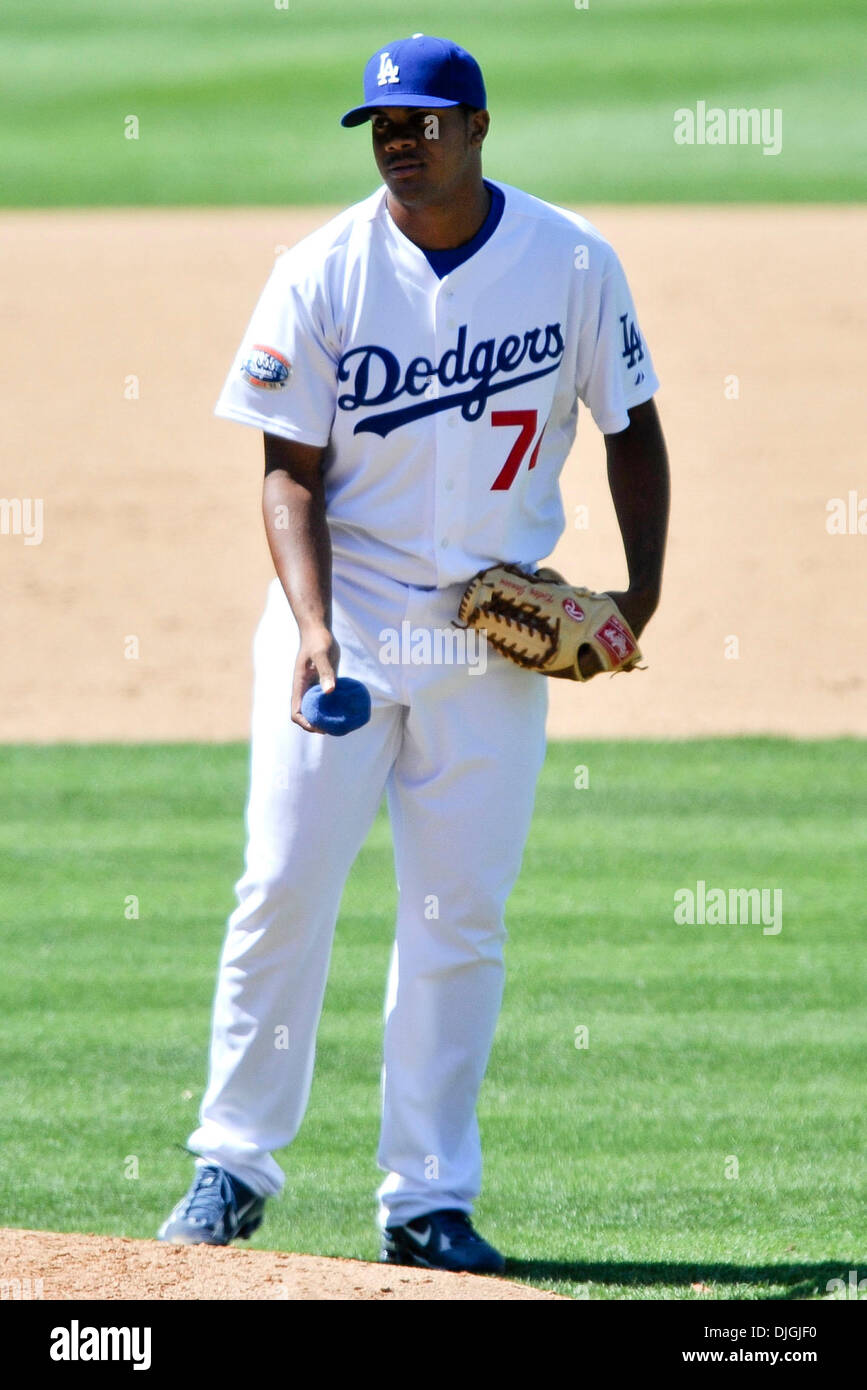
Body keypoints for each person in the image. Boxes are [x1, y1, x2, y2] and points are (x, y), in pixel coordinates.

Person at [158, 33, 669, 1274]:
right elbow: (287, 471)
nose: (399, 139)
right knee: (283, 886)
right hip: (342, 620)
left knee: (461, 917)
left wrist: (637, 603)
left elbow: (634, 430)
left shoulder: (572, 261)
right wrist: (318, 630)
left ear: (478, 127)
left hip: (491, 634)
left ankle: (427, 1198)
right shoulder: (321, 268)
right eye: (382, 124)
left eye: (422, 120)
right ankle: (231, 1165)